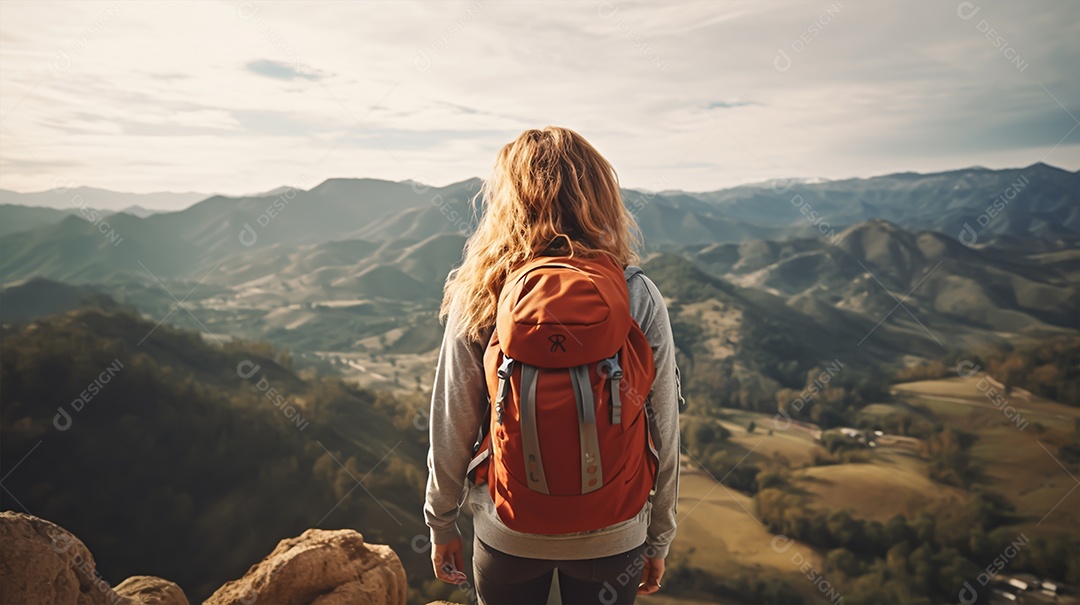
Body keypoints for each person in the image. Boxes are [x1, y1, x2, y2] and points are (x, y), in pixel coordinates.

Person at [423, 126, 682, 605]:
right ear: (600, 198)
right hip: (614, 533)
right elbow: (663, 426)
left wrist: (440, 523)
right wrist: (659, 537)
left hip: (508, 530)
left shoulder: (484, 292)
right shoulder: (636, 294)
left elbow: (452, 421)